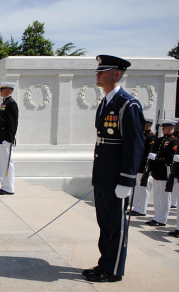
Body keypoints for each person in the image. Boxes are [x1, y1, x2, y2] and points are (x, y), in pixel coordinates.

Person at [82, 55, 144, 283]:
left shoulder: (128, 105)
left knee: (116, 225)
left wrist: (127, 180)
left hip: (117, 177)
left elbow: (134, 144)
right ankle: (104, 263)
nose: (97, 74)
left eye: (102, 71)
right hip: (103, 174)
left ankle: (113, 269)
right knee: (105, 223)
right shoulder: (106, 102)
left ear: (116, 74)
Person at [145, 119, 178, 227]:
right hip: (157, 171)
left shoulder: (174, 141)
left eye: (166, 128)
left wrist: (158, 158)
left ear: (171, 128)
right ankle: (157, 216)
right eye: (163, 128)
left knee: (164, 197)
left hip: (165, 171)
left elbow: (171, 158)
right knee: (157, 196)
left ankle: (162, 219)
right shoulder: (159, 140)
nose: (163, 130)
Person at [0, 82, 19, 195]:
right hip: (1, 138)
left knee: (7, 163)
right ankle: (5, 185)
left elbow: (13, 123)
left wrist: (9, 139)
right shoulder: (5, 103)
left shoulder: (11, 104)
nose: (0, 91)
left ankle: (9, 187)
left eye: (2, 89)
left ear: (9, 90)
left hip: (5, 139)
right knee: (2, 163)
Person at [129, 118, 156, 216]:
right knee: (137, 187)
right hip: (138, 164)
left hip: (144, 165)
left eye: (145, 124)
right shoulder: (142, 135)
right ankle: (137, 207)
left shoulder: (151, 137)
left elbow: (149, 153)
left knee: (144, 187)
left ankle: (142, 209)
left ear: (149, 124)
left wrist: (147, 166)